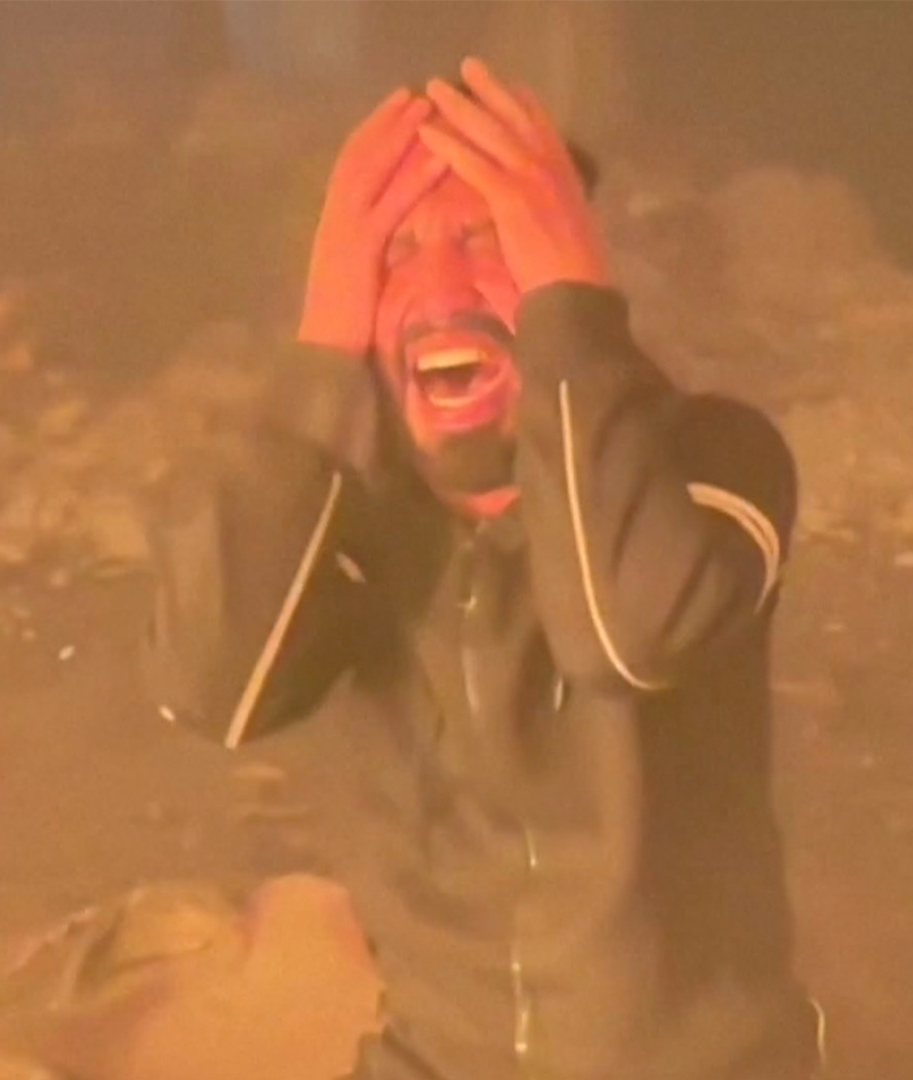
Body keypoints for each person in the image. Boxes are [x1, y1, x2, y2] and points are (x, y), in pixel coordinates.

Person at [140, 58, 819, 1080]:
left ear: (566, 265)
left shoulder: (712, 465)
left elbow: (623, 637)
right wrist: (324, 352)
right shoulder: (347, 518)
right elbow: (215, 691)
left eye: (489, 237)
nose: (441, 290)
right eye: (395, 251)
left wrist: (572, 315)